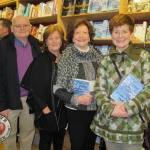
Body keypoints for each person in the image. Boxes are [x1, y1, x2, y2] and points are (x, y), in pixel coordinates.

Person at [90, 14, 150, 150]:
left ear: (132, 33)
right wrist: (111, 110)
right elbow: (99, 90)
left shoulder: (143, 57)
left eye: (124, 31)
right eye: (116, 32)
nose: (120, 36)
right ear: (111, 34)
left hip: (134, 123)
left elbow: (149, 89)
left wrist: (129, 108)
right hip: (111, 123)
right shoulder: (105, 60)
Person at [54, 18, 102, 150]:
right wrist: (77, 99)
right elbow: (57, 88)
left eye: (84, 32)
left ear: (89, 36)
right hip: (75, 110)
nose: (81, 36)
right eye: (77, 33)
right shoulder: (67, 56)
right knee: (77, 144)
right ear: (72, 37)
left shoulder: (97, 54)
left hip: (94, 109)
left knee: (90, 144)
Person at [21, 25, 67, 150]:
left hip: (63, 110)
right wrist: (44, 108)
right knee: (45, 141)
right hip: (46, 109)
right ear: (46, 42)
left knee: (59, 140)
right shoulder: (40, 60)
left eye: (57, 38)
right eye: (50, 38)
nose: (54, 41)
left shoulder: (67, 59)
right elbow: (33, 88)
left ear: (62, 40)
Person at [0, 15, 41, 150]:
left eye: (25, 25)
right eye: (18, 25)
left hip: (29, 99)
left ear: (30, 27)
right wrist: (1, 105)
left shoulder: (35, 46)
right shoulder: (3, 46)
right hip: (9, 100)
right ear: (12, 28)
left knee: (28, 132)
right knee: (9, 133)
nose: (22, 28)